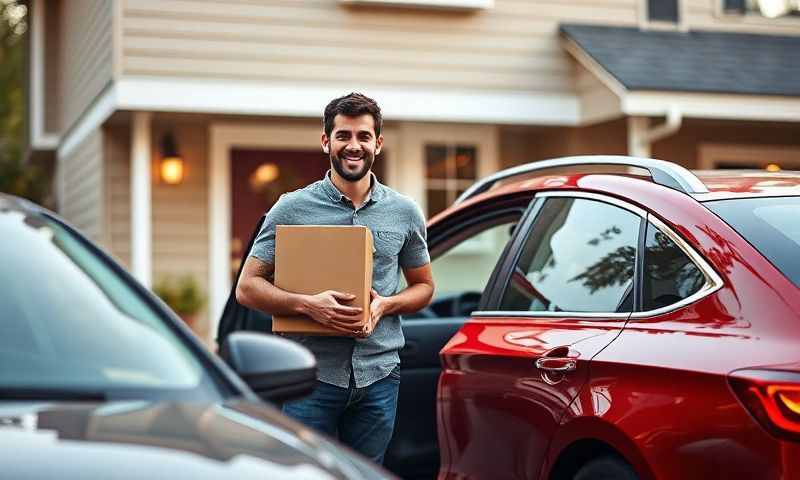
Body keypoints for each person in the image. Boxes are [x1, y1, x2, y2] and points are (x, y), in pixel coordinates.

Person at [235, 92, 435, 464]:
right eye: (343, 135)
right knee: (308, 474)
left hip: (380, 375)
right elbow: (247, 287)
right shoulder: (291, 208)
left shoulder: (404, 212)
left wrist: (385, 306)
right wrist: (308, 305)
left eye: (363, 136)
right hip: (311, 377)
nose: (353, 146)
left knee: (366, 473)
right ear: (326, 141)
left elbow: (424, 287)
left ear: (378, 142)